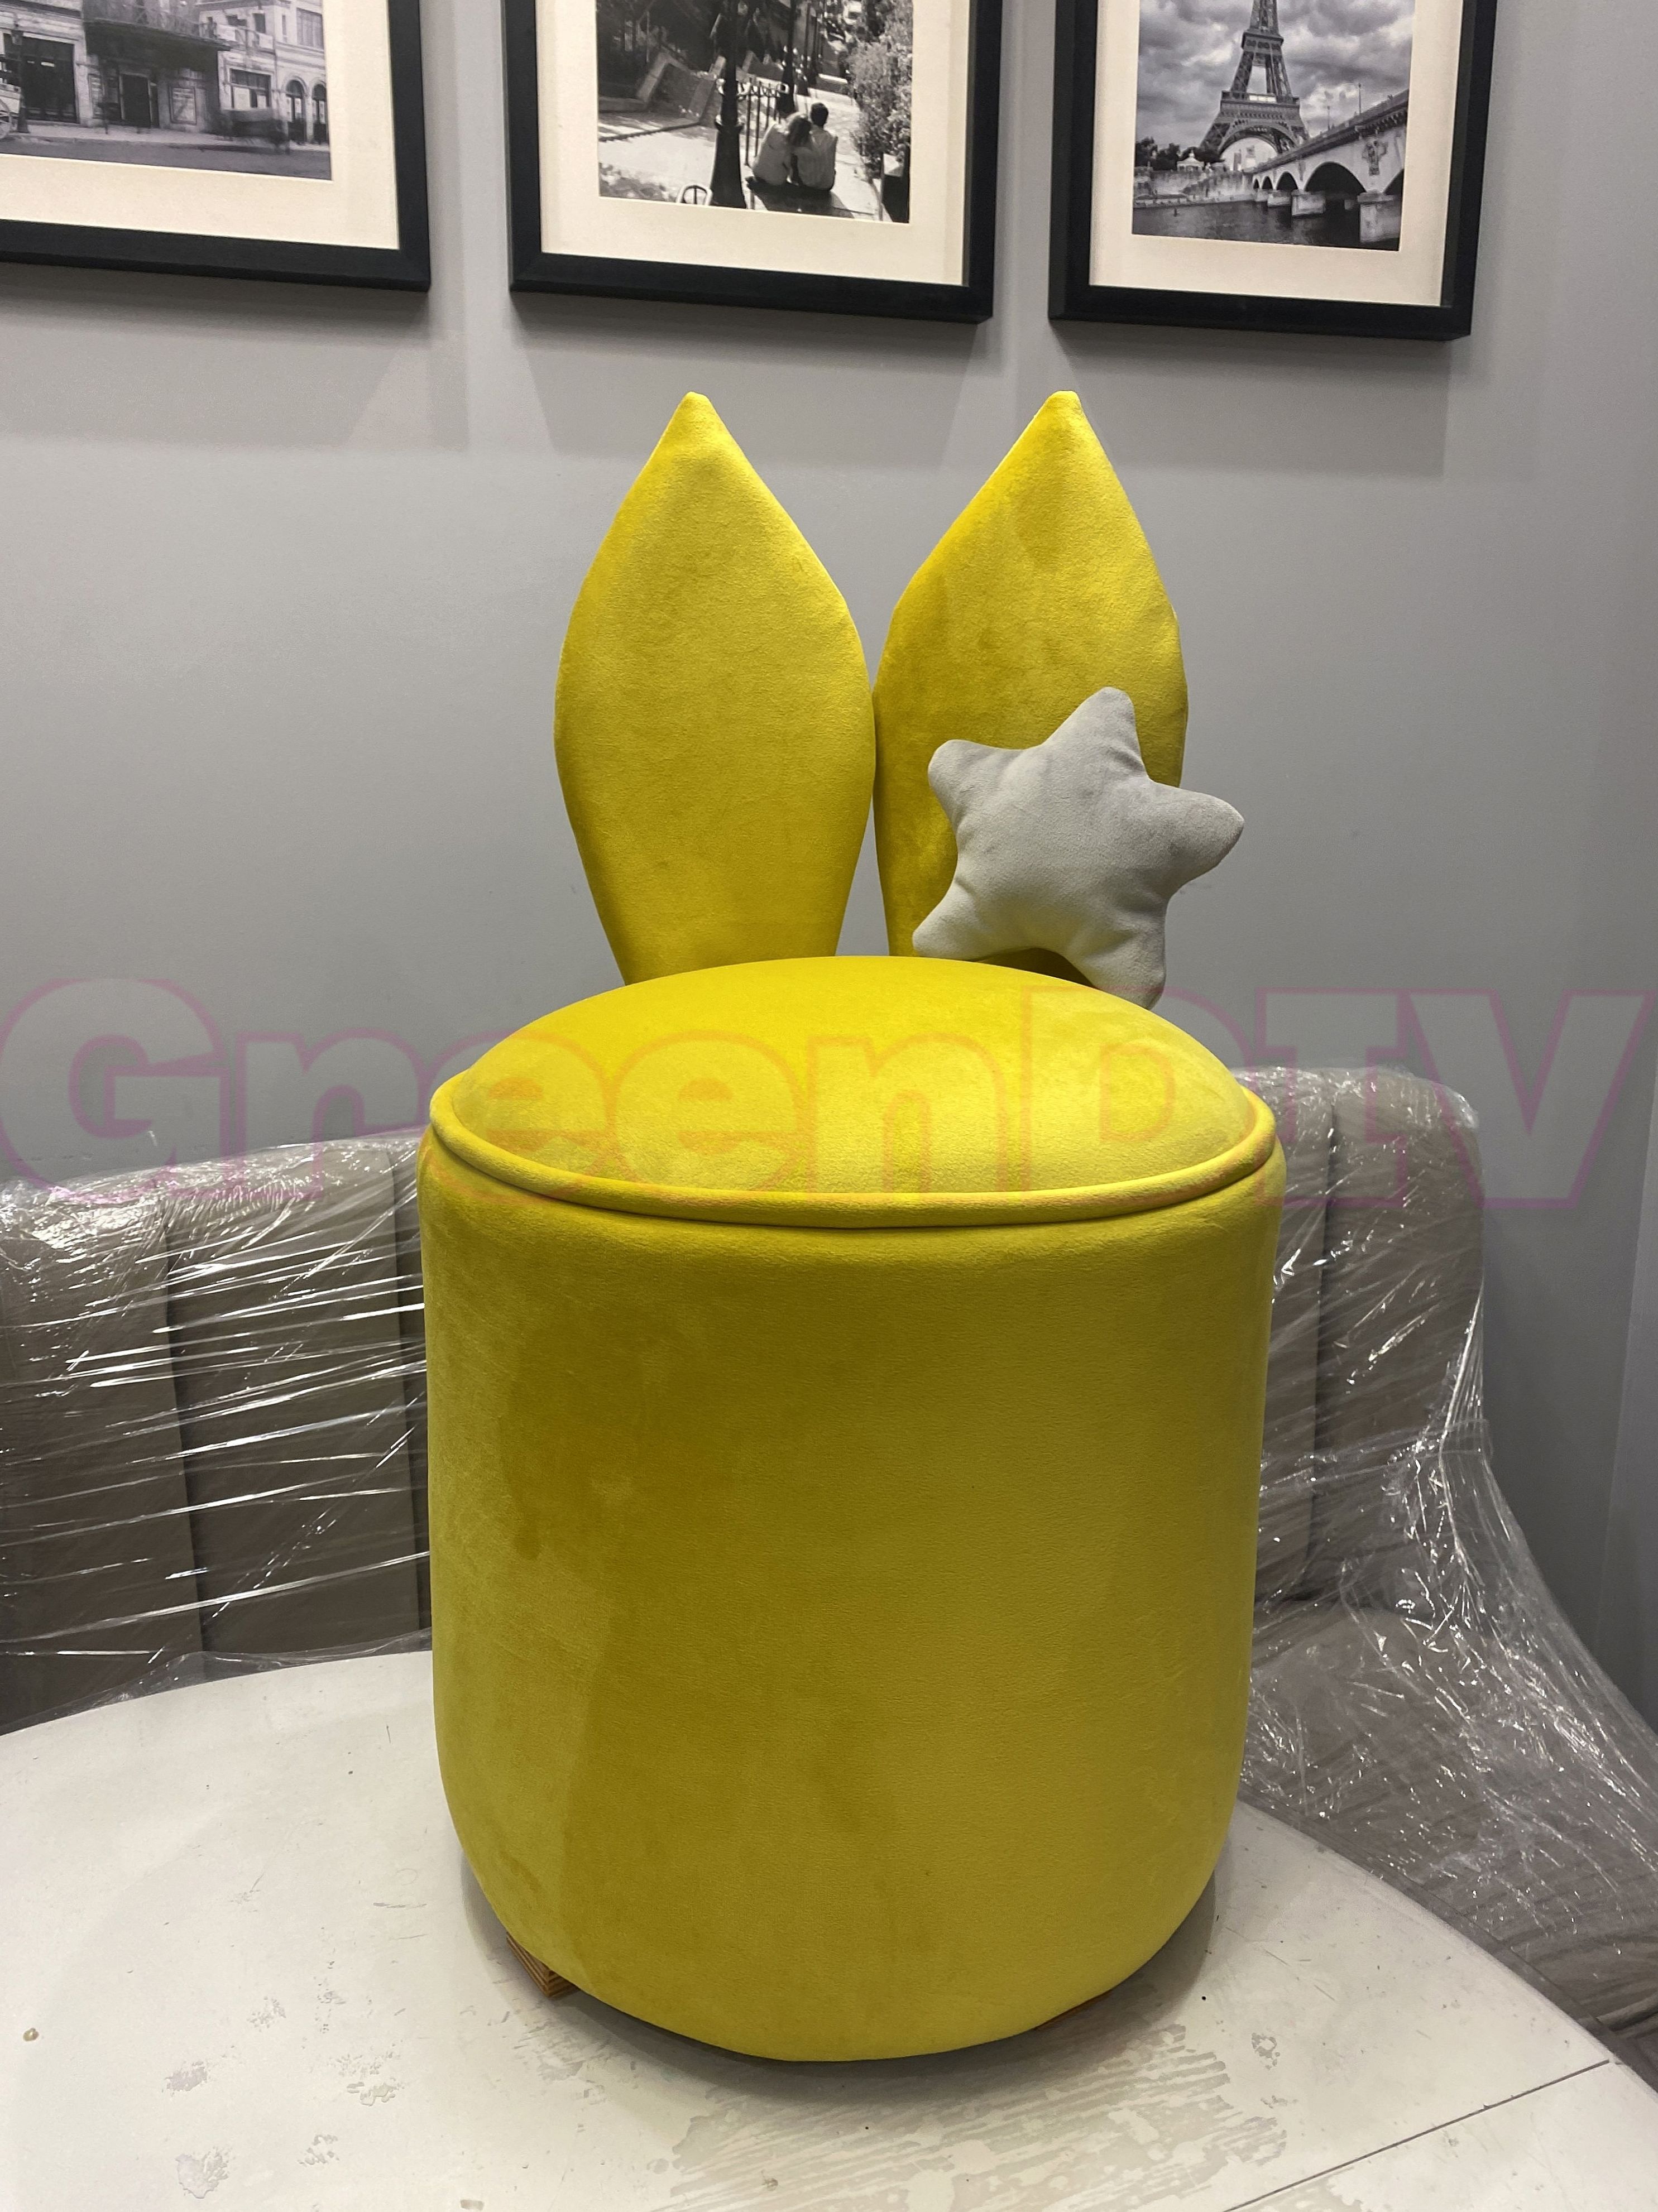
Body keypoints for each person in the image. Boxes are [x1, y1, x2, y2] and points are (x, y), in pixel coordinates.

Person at [751, 91, 801, 189]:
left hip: (757, 170)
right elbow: (789, 165)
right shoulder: (792, 141)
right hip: (776, 180)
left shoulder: (773, 127)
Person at [794, 102, 838, 194]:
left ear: (811, 117)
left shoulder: (806, 136)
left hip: (806, 184)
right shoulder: (833, 138)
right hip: (827, 185)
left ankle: (794, 179)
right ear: (826, 120)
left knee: (794, 153)